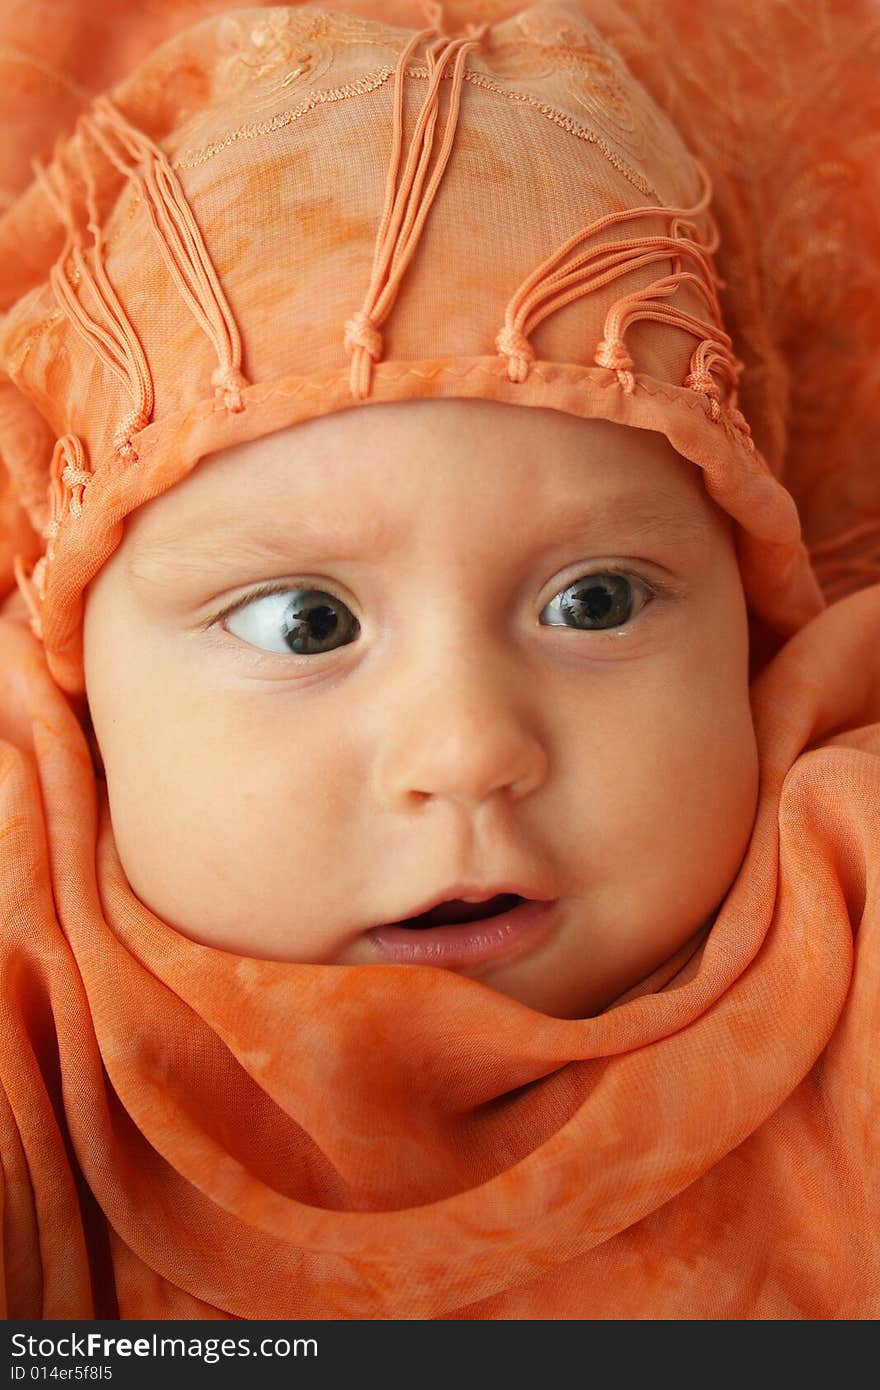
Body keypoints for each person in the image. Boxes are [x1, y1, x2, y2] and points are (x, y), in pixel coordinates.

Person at [0, 0, 877, 1319]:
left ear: (750, 612)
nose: (470, 748)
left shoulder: (846, 899)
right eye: (307, 624)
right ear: (76, 675)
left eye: (594, 600)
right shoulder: (36, 1003)